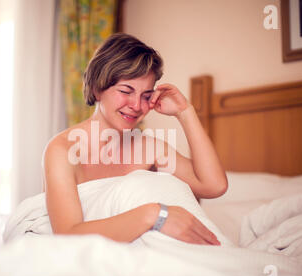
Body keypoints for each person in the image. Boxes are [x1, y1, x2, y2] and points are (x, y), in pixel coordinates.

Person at [42, 33, 227, 245]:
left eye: (146, 96)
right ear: (97, 88)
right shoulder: (62, 150)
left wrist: (185, 112)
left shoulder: (148, 147)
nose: (137, 105)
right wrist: (153, 215)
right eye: (126, 91)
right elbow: (67, 236)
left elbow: (214, 186)